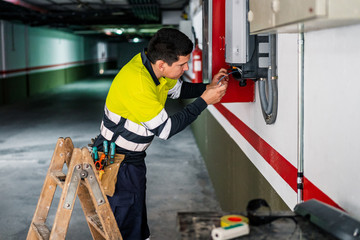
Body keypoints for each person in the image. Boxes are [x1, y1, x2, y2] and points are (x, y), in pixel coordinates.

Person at [92, 28, 229, 239]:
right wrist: (204, 101)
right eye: (182, 64)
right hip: (117, 161)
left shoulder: (154, 69)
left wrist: (207, 87)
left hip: (132, 160)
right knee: (124, 223)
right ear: (163, 64)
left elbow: (179, 90)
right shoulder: (138, 83)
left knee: (136, 218)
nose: (186, 68)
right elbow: (165, 130)